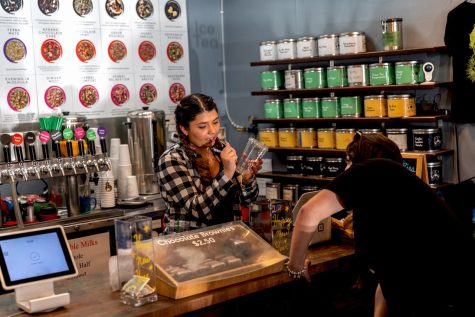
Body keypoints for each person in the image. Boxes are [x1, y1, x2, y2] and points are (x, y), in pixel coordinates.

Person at [287, 132, 475, 316]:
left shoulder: (373, 170)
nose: (345, 171)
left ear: (360, 161)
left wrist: (295, 268)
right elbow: (386, 276)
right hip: (440, 291)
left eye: (348, 162)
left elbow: (308, 212)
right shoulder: (389, 200)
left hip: (443, 294)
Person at [158, 93, 262, 233]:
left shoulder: (221, 151)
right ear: (184, 129)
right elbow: (197, 210)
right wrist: (226, 174)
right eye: (202, 126)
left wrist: (247, 179)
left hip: (228, 239)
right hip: (190, 246)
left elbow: (248, 200)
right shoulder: (172, 160)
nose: (212, 131)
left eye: (215, 122)